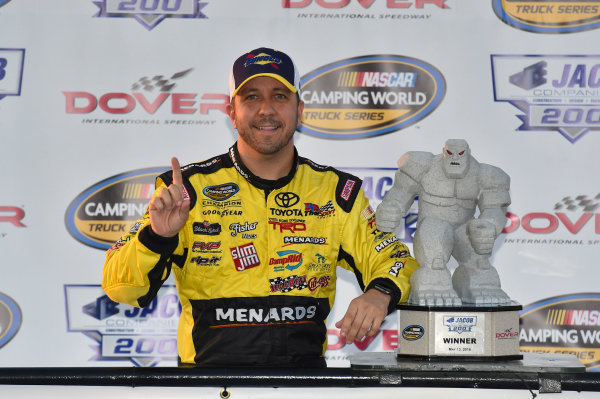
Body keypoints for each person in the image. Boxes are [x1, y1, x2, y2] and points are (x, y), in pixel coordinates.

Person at [102, 47, 418, 367]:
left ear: (300, 110)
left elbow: (396, 259)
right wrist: (157, 237)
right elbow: (121, 289)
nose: (266, 109)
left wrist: (380, 292)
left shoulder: (334, 193)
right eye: (251, 97)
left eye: (280, 96)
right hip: (209, 386)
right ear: (232, 112)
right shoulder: (188, 191)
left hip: (303, 388)